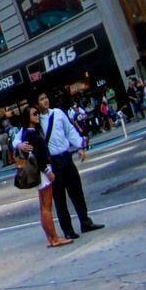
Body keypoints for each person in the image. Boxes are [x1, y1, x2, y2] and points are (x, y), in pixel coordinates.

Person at [38, 91, 103, 239]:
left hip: (66, 157)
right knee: (59, 198)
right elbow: (20, 137)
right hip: (53, 162)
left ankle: (85, 222)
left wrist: (80, 146)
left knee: (77, 191)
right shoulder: (36, 122)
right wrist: (20, 144)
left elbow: (70, 131)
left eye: (46, 97)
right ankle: (67, 229)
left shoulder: (58, 113)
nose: (45, 101)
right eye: (41, 99)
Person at [16, 107, 73, 247]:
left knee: (43, 206)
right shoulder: (32, 134)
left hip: (37, 171)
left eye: (37, 113)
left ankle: (50, 238)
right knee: (47, 206)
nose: (37, 116)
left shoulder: (26, 133)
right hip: (42, 172)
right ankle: (54, 238)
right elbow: (37, 156)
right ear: (27, 117)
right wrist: (48, 171)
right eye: (34, 114)